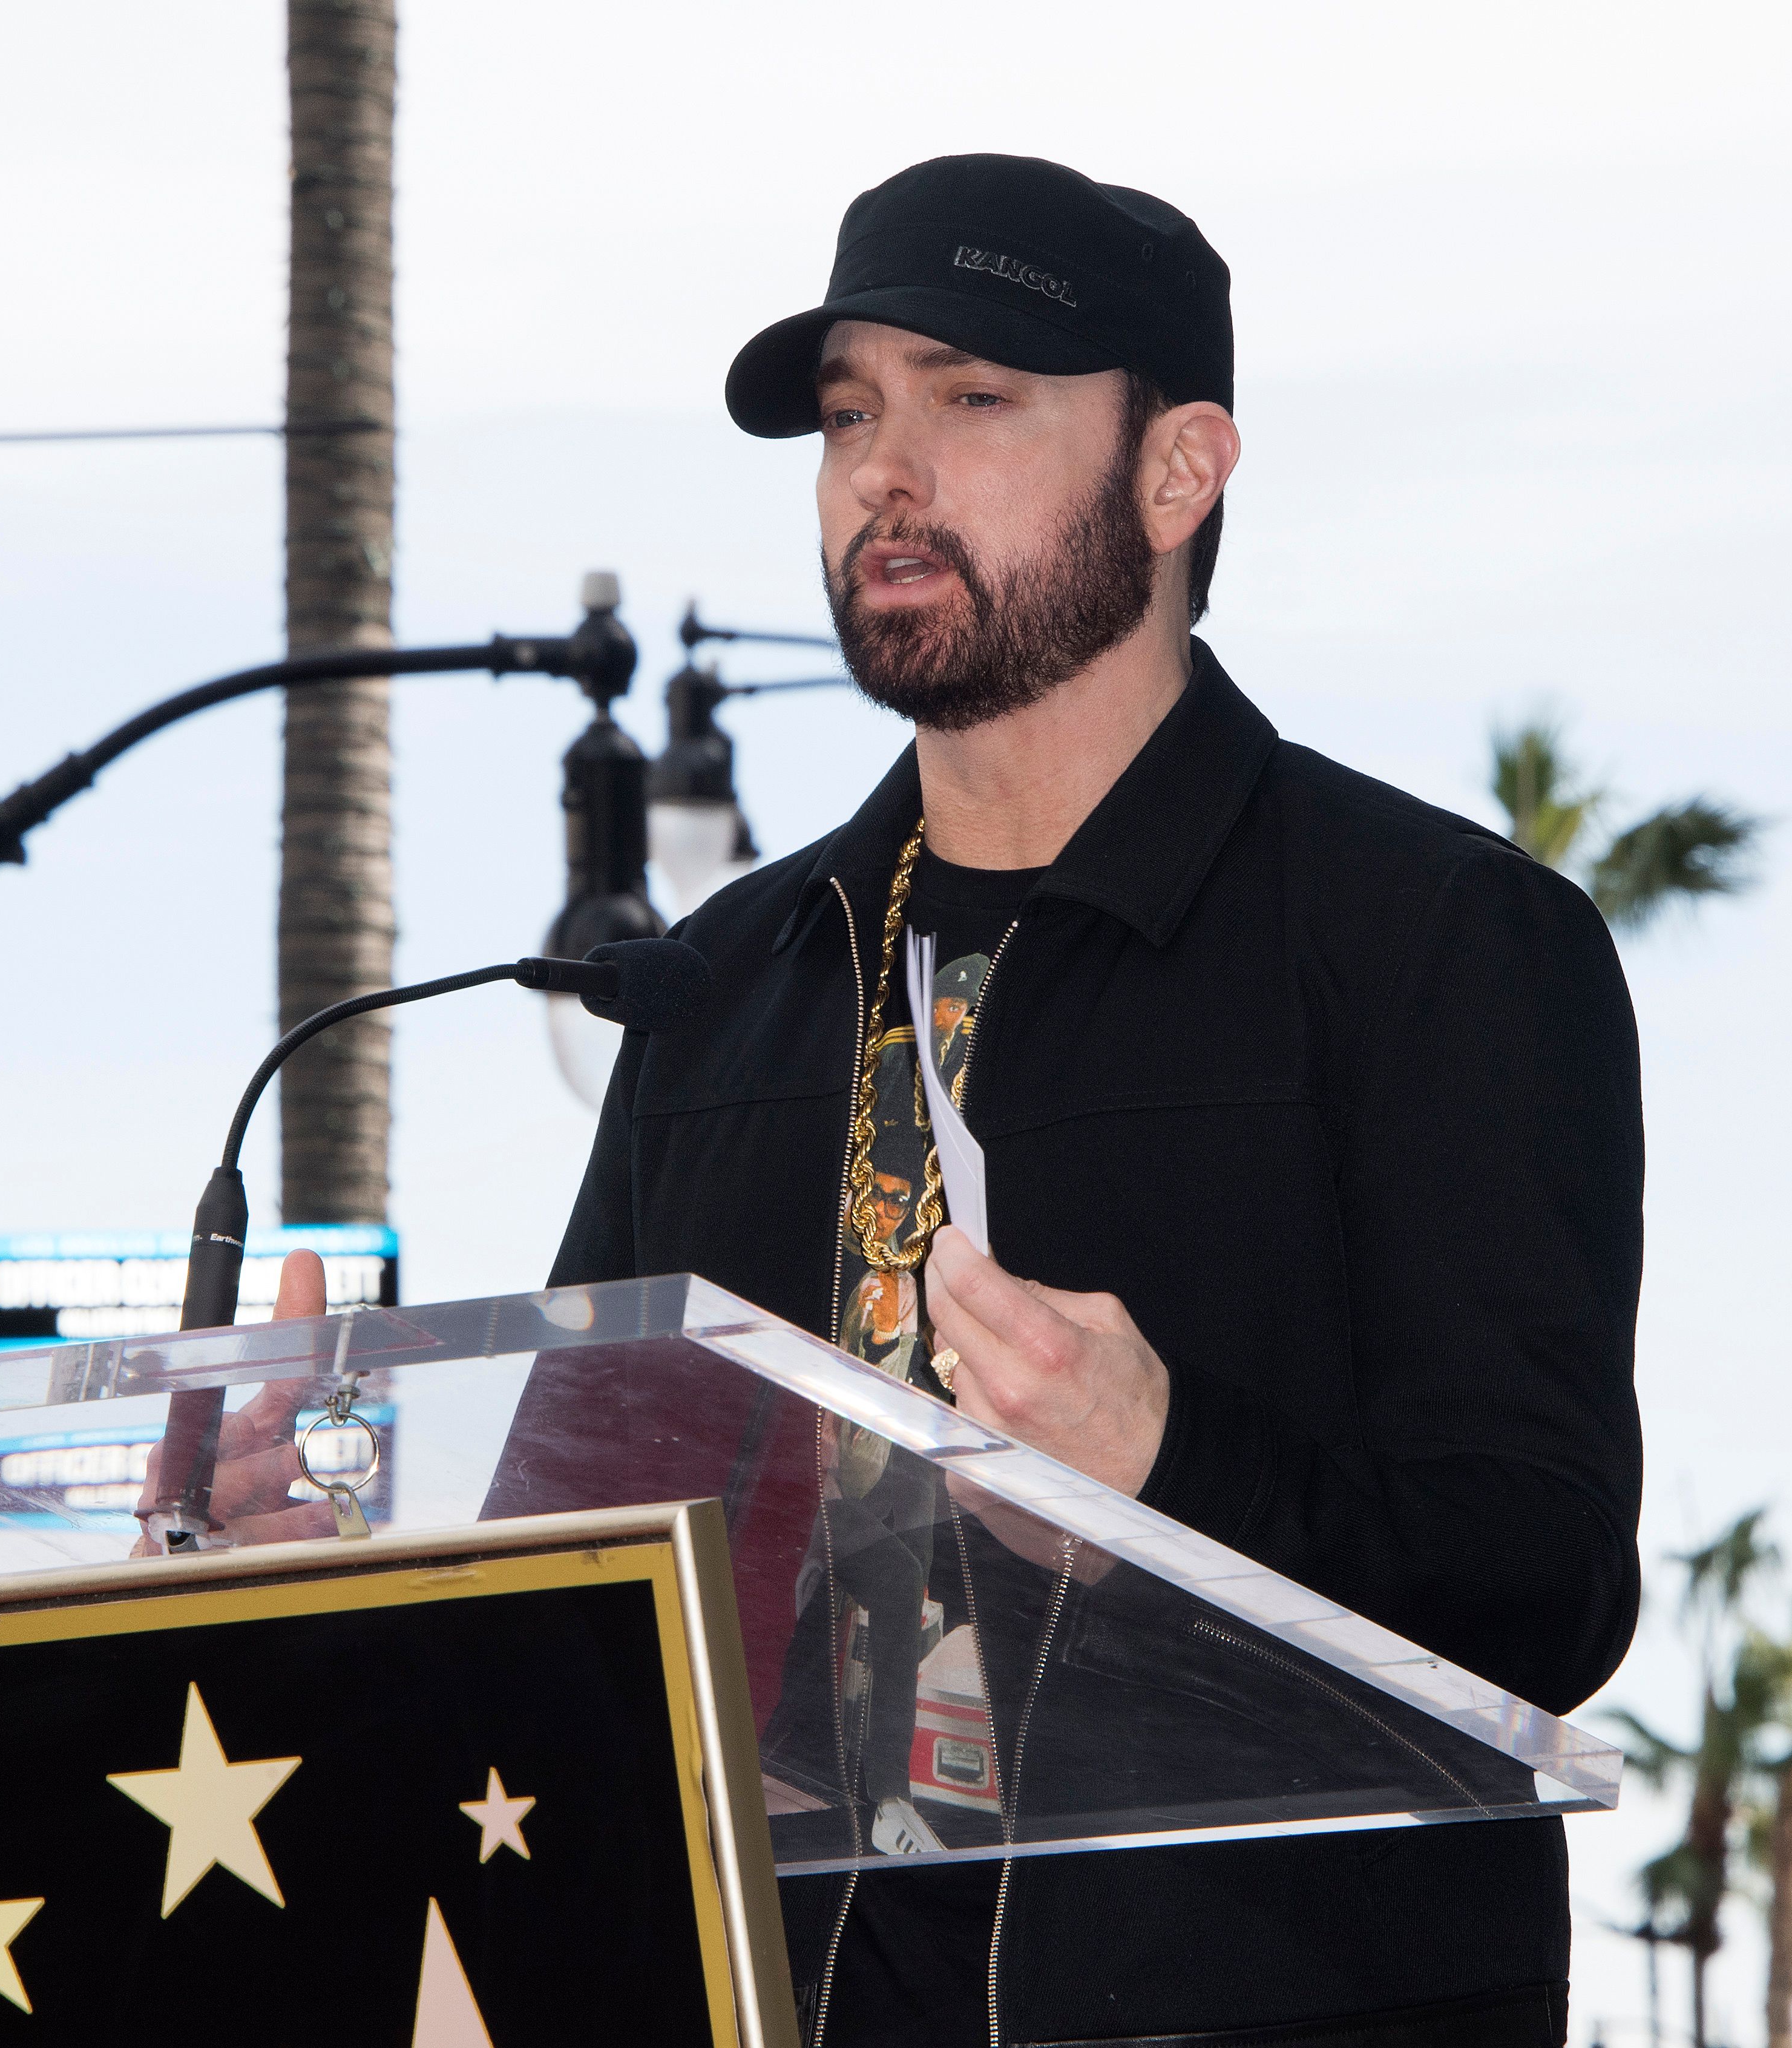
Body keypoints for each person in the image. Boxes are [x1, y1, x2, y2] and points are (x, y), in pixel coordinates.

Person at [550, 154, 1645, 2047]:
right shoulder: (721, 985)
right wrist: (310, 1520)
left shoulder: (1441, 944)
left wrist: (1173, 1464)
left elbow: (1544, 1584)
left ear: (1178, 469)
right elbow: (588, 1553)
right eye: (848, 414)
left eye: (973, 401)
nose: (885, 472)